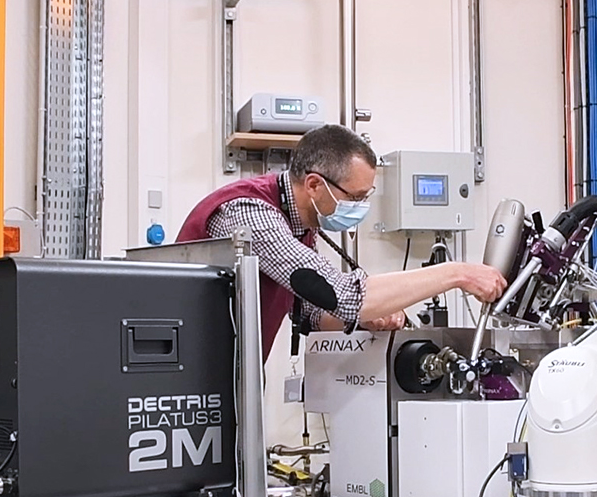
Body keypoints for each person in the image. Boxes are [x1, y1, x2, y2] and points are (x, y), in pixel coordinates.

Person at [177, 124, 506, 361]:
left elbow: (310, 314)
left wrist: (365, 318)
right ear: (315, 185)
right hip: (185, 381)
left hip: (231, 380)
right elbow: (346, 295)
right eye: (356, 197)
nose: (360, 208)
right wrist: (457, 274)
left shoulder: (300, 225)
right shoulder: (252, 214)